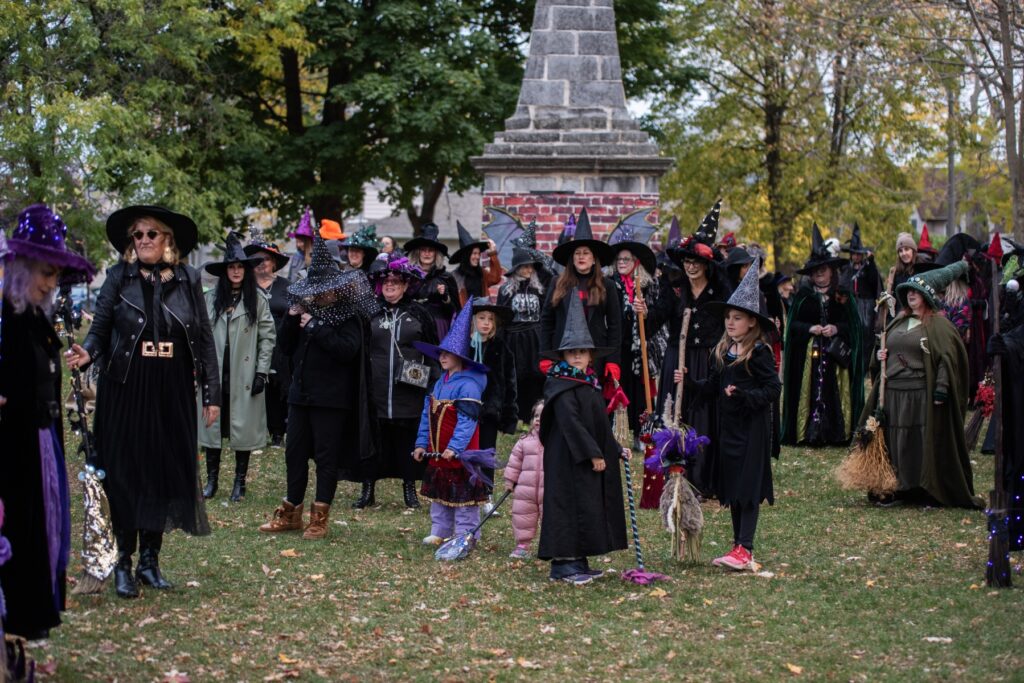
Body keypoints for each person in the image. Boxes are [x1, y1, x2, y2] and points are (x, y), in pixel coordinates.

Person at [69, 205, 219, 599]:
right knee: (125, 473)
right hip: (127, 387)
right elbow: (101, 327)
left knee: (162, 472)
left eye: (152, 233)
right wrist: (87, 352)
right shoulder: (119, 276)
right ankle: (122, 563)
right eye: (138, 234)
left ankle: (150, 562)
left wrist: (212, 394)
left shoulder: (187, 278)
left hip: (172, 388)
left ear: (168, 238)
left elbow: (203, 338)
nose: (144, 240)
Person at [2, 204, 94, 637]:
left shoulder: (37, 318)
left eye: (56, 275)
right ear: (24, 268)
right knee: (22, 529)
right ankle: (21, 619)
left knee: (45, 525)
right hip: (15, 447)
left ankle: (35, 617)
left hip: (42, 438)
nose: (51, 283)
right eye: (46, 273)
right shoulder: (7, 319)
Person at [258, 233, 380, 539]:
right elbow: (286, 348)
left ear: (335, 288)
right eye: (315, 289)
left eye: (323, 288)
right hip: (300, 395)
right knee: (294, 454)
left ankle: (319, 518)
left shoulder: (349, 316)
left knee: (326, 459)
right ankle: (290, 513)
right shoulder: (304, 311)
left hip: (332, 399)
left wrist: (315, 327)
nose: (319, 293)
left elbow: (347, 350)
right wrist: (292, 318)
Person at [676, 259, 781, 571]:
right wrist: (689, 382)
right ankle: (738, 546)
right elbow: (711, 387)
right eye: (727, 318)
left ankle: (746, 548)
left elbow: (773, 389)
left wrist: (745, 396)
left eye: (737, 318)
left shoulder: (758, 353)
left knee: (748, 488)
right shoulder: (723, 352)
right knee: (734, 487)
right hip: (729, 430)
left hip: (752, 430)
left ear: (751, 322)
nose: (730, 323)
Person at [865, 261, 983, 508]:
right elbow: (882, 348)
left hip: (920, 394)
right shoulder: (898, 321)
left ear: (927, 296)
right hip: (893, 393)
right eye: (908, 291)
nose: (910, 295)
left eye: (915, 291)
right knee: (896, 441)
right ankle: (897, 488)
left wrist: (941, 388)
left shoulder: (939, 325)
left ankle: (925, 489)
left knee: (919, 441)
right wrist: (879, 355)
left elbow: (947, 358)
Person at [538, 294, 629, 585]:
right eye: (571, 352)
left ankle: (578, 560)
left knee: (585, 506)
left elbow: (598, 424)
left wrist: (614, 449)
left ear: (591, 355)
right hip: (566, 457)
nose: (577, 357)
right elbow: (572, 423)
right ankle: (563, 565)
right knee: (567, 506)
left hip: (582, 458)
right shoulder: (561, 385)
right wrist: (593, 453)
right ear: (563, 356)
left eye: (582, 352)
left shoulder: (588, 383)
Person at [649, 201, 732, 497]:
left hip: (708, 361)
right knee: (676, 415)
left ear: (707, 264)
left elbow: (730, 324)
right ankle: (676, 477)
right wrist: (642, 313)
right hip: (677, 358)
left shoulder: (720, 292)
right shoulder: (674, 289)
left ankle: (703, 480)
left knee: (705, 417)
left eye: (696, 262)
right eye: (686, 261)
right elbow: (655, 321)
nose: (691, 266)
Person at [198, 233, 276, 501]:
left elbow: (268, 338)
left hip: (244, 373)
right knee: (213, 426)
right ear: (225, 271)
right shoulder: (210, 300)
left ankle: (239, 483)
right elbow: (200, 335)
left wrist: (262, 372)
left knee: (243, 428)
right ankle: (212, 481)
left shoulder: (257, 301)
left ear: (246, 270)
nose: (235, 271)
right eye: (231, 267)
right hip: (216, 372)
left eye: (240, 267)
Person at [411, 300, 490, 548]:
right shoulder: (439, 383)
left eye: (447, 354)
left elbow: (467, 422)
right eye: (440, 353)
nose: (442, 357)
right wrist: (421, 443)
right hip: (438, 452)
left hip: (460, 454)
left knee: (463, 496)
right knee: (440, 493)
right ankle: (440, 530)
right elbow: (427, 416)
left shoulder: (469, 385)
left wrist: (455, 448)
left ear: (460, 357)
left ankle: (465, 534)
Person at [362, 253, 437, 509]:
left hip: (409, 390)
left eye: (395, 282)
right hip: (376, 389)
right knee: (374, 441)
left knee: (408, 441)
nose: (390, 285)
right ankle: (368, 488)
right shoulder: (370, 313)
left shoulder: (419, 314)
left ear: (405, 285)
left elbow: (433, 351)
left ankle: (409, 489)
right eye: (386, 282)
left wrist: (434, 382)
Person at [781, 224, 864, 447]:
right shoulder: (803, 296)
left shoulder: (842, 295)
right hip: (810, 357)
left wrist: (836, 329)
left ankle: (836, 432)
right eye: (815, 271)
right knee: (810, 390)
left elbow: (854, 326)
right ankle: (810, 432)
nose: (819, 274)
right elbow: (793, 326)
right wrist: (810, 328)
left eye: (823, 269)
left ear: (831, 270)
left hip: (836, 358)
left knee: (833, 389)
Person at [539, 207, 622, 383]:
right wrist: (545, 355)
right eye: (577, 253)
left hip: (595, 355)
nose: (581, 257)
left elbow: (615, 325)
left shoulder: (607, 285)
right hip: (563, 354)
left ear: (593, 259)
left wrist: (613, 359)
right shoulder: (557, 283)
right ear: (572, 258)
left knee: (592, 397)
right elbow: (546, 321)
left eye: (585, 253)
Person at [607, 215, 660, 439]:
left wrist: (645, 312)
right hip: (618, 345)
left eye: (626, 259)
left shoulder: (647, 286)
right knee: (617, 385)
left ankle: (641, 433)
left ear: (635, 261)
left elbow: (657, 317)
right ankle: (615, 431)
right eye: (619, 259)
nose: (621, 262)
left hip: (640, 347)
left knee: (640, 389)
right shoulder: (610, 284)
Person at [244, 228, 292, 446]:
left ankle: (277, 432)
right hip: (250, 343)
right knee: (251, 384)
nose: (261, 263)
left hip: (280, 345)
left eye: (266, 259)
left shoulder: (287, 286)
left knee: (277, 387)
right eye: (256, 260)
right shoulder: (245, 287)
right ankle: (252, 429)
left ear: (274, 263)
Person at [497, 247, 546, 422]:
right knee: (516, 378)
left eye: (531, 266)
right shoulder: (505, 290)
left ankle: (534, 418)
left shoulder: (539, 290)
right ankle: (516, 418)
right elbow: (501, 318)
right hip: (514, 339)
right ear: (517, 268)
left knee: (536, 378)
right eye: (525, 266)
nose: (529, 270)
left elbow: (545, 315)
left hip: (535, 339)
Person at [404, 223, 460, 340]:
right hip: (412, 323)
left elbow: (456, 311)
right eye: (423, 250)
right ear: (418, 253)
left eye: (431, 250)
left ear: (436, 254)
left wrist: (445, 298)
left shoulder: (446, 277)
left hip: (438, 326)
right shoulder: (408, 275)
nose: (427, 253)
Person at [504, 400, 545, 560]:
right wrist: (510, 480)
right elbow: (514, 462)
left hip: (549, 491)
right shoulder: (524, 441)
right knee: (523, 517)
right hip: (525, 491)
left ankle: (553, 546)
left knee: (552, 519)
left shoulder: (556, 442)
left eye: (543, 416)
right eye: (536, 416)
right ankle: (522, 545)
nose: (538, 419)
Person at [841, 224, 882, 374]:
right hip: (850, 305)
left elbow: (875, 284)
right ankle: (850, 366)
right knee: (849, 335)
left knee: (866, 337)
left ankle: (864, 368)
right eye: (854, 254)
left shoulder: (869, 268)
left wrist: (871, 264)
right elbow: (842, 286)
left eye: (859, 254)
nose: (856, 256)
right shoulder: (846, 269)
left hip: (866, 307)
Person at [449, 222, 503, 306]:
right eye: (474, 253)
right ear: (467, 255)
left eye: (478, 254)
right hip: (465, 313)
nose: (478, 257)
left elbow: (495, 278)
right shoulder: (455, 276)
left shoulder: (481, 273)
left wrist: (492, 253)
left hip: (481, 312)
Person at [287, 207, 316, 282]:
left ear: (308, 242)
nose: (298, 245)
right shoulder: (296, 256)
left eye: (301, 242)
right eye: (297, 242)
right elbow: (289, 277)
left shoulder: (315, 257)